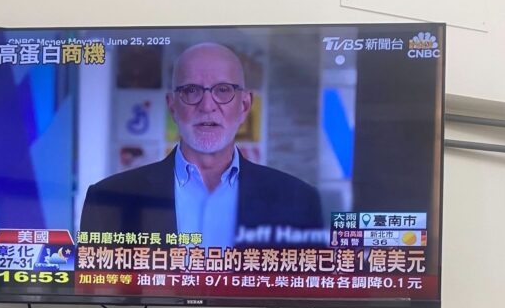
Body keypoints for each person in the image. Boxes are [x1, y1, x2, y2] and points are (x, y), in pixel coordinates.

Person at [80, 43, 324, 248]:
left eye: (223, 90)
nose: (207, 106)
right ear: (172, 106)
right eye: (191, 91)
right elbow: (94, 287)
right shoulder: (106, 199)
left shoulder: (300, 200)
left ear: (245, 106)